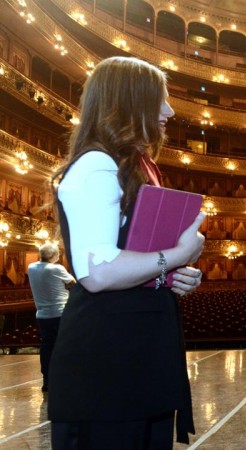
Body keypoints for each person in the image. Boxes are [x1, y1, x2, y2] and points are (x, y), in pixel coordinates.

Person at [47, 56, 206, 448]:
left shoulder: (133, 165)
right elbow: (98, 273)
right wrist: (175, 257)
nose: (169, 111)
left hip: (136, 359)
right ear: (129, 101)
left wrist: (173, 275)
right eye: (160, 100)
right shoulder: (97, 165)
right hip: (105, 367)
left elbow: (133, 258)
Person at [27, 243, 75, 393]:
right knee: (64, 346)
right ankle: (64, 378)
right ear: (54, 256)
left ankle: (47, 380)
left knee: (47, 347)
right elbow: (73, 283)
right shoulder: (57, 268)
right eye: (58, 255)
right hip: (60, 313)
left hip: (42, 315)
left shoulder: (31, 267)